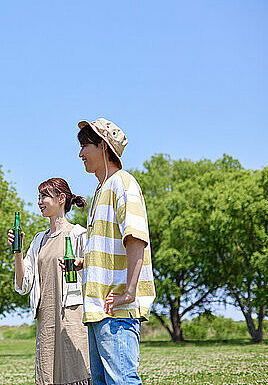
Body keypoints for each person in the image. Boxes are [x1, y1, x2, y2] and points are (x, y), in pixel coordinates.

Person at [76, 119, 156, 385]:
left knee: (122, 381)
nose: (80, 154)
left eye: (85, 145)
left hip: (116, 307)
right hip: (99, 307)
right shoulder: (101, 189)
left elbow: (135, 238)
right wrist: (83, 263)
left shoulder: (123, 183)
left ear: (103, 145)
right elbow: (109, 248)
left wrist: (129, 292)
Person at [10, 178, 91, 385]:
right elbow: (22, 284)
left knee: (77, 372)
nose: (40, 201)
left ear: (61, 199)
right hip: (46, 317)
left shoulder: (78, 234)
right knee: (47, 375)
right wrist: (17, 253)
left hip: (73, 316)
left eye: (45, 196)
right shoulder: (38, 240)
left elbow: (93, 271)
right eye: (39, 197)